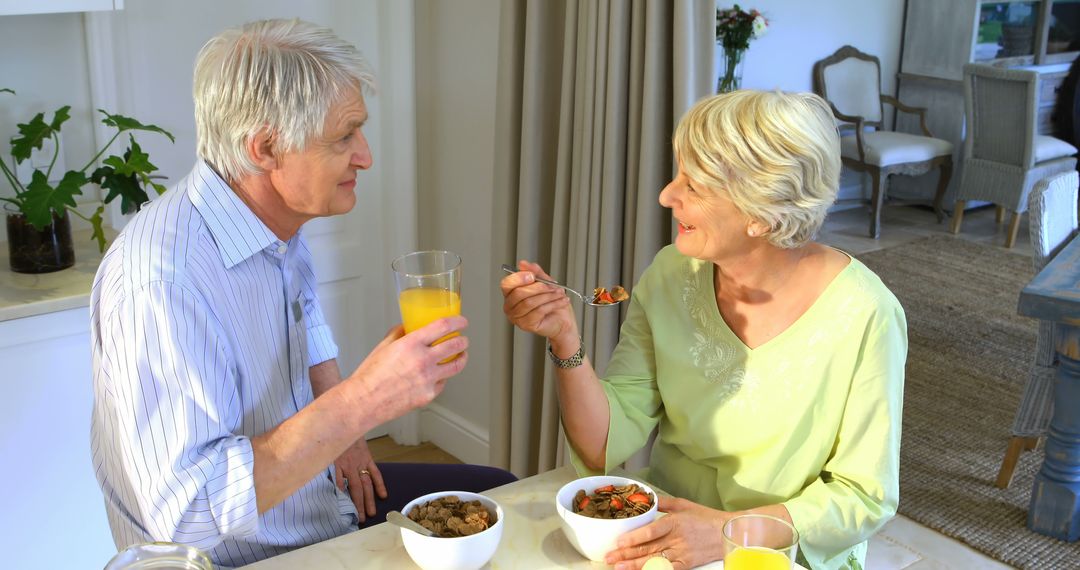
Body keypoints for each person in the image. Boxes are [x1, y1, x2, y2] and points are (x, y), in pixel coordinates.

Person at [90, 19, 513, 568]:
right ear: (265, 147)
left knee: (501, 493)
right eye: (344, 137)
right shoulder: (163, 284)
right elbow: (187, 514)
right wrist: (361, 403)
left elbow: (304, 317)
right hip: (249, 553)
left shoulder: (271, 222)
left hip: (315, 498)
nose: (365, 156)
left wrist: (347, 436)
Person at [501, 90, 906, 570]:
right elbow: (602, 440)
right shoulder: (673, 272)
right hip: (665, 537)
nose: (666, 196)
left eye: (693, 186)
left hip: (781, 556)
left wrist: (727, 533)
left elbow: (864, 495)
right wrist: (564, 336)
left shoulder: (865, 313)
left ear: (761, 212)